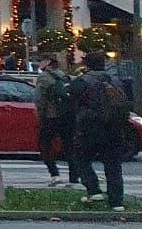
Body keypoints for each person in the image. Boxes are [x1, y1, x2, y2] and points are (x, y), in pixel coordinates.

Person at [67, 52, 128, 210]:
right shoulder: (115, 81)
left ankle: (93, 190)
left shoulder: (82, 82)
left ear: (87, 64)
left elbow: (71, 102)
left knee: (80, 158)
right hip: (114, 128)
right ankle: (116, 202)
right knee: (113, 165)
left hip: (90, 128)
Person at [35, 56, 75, 187]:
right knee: (69, 146)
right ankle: (74, 176)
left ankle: (54, 174)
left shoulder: (44, 77)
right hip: (67, 116)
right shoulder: (64, 76)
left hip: (51, 116)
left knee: (44, 144)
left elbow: (40, 99)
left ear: (47, 63)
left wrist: (40, 116)